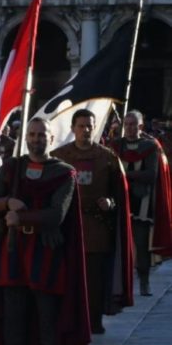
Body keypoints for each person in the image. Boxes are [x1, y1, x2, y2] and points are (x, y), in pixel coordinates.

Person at [0, 117, 89, 345]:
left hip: (46, 253)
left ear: (51, 139)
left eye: (42, 135)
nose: (37, 139)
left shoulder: (64, 173)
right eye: (32, 134)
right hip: (12, 251)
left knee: (47, 314)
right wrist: (7, 201)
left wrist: (21, 218)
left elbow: (56, 215)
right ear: (25, 137)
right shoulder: (12, 169)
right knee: (14, 313)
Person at [51, 109, 134, 333]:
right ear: (73, 128)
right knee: (69, 279)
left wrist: (110, 202)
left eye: (90, 125)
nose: (86, 130)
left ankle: (94, 321)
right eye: (81, 126)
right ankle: (71, 320)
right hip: (68, 228)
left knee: (95, 280)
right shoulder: (59, 157)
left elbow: (120, 196)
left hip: (97, 228)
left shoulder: (108, 158)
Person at [110, 110, 172, 296]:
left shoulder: (150, 146)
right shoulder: (116, 146)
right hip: (120, 202)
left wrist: (124, 175)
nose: (129, 127)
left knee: (141, 244)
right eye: (126, 124)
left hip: (142, 204)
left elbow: (151, 175)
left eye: (132, 124)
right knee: (119, 245)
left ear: (140, 126)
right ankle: (119, 285)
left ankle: (144, 281)